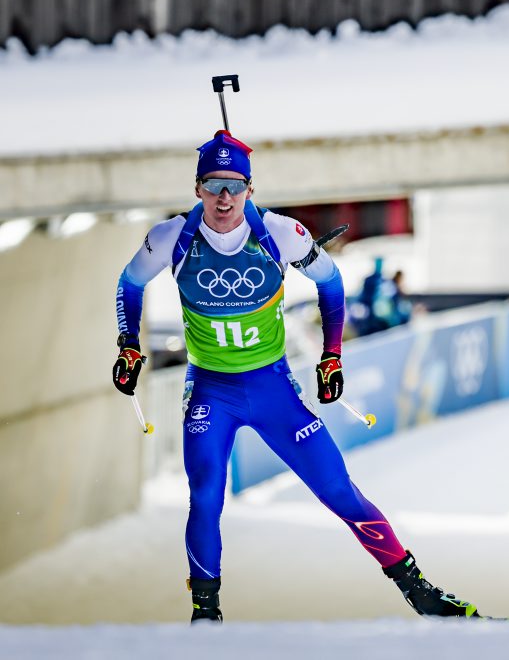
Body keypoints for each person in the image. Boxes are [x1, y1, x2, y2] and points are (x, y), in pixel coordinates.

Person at [112, 130, 479, 623]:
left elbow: (330, 283)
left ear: (250, 189)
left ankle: (420, 591)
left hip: (272, 389)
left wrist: (332, 357)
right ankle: (205, 613)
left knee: (337, 489)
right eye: (215, 185)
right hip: (210, 391)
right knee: (204, 495)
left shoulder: (280, 233)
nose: (225, 197)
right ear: (198, 188)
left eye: (235, 186)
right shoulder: (172, 237)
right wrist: (128, 344)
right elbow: (129, 283)